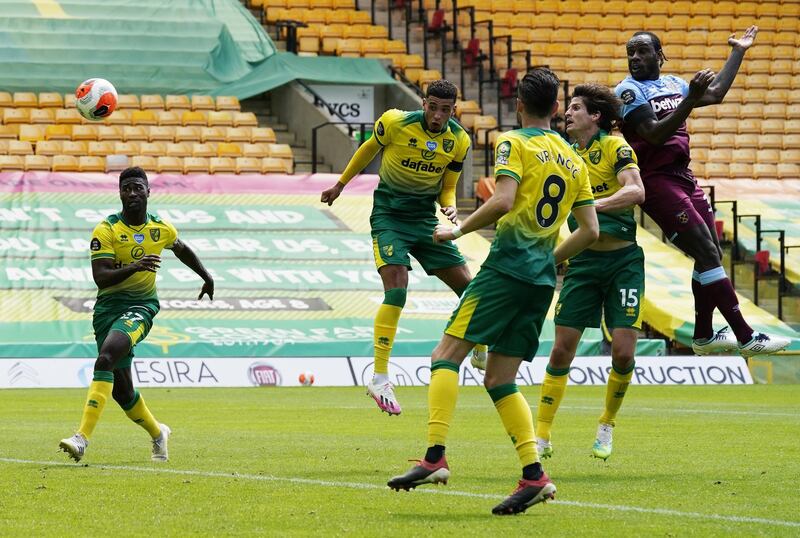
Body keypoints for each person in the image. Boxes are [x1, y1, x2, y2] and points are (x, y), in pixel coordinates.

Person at [386, 68, 599, 515]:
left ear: (518, 104)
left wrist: (458, 229)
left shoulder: (513, 142)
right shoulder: (575, 159)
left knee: (445, 357)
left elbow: (503, 200)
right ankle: (534, 475)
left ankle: (434, 458)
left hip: (504, 269)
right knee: (500, 378)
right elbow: (590, 231)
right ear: (557, 109)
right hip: (541, 280)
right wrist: (551, 258)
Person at [615, 27, 789, 357]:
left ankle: (704, 334)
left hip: (684, 177)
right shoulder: (628, 91)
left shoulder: (674, 84)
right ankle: (746, 336)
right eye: (630, 52)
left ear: (658, 54)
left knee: (710, 254)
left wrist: (738, 50)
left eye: (641, 51)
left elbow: (719, 92)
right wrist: (691, 99)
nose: (635, 57)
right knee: (708, 254)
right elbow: (653, 134)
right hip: (656, 181)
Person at [320, 79, 487, 416]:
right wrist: (340, 185)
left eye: (445, 110)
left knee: (469, 288)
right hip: (389, 216)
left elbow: (448, 185)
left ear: (453, 110)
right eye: (433, 107)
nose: (438, 115)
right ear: (423, 103)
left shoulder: (459, 141)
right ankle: (380, 376)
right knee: (397, 288)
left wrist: (450, 206)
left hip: (425, 220)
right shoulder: (395, 122)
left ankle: (480, 343)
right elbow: (368, 149)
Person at [59, 166, 214, 462]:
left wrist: (206, 276)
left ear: (147, 192)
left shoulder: (160, 228)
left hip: (141, 306)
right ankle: (158, 433)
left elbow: (180, 248)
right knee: (122, 391)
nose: (132, 193)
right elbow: (101, 278)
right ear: (120, 193)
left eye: (137, 188)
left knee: (105, 357)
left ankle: (81, 439)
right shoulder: (106, 230)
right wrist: (135, 266)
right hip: (107, 310)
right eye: (126, 188)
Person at [535, 84, 645, 462]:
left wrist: (591, 206)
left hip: (623, 263)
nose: (568, 113)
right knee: (561, 349)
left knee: (624, 353)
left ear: (596, 116)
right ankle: (542, 435)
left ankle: (606, 424)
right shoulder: (562, 153)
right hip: (581, 265)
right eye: (567, 107)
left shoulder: (615, 147)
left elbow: (636, 192)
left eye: (576, 107)